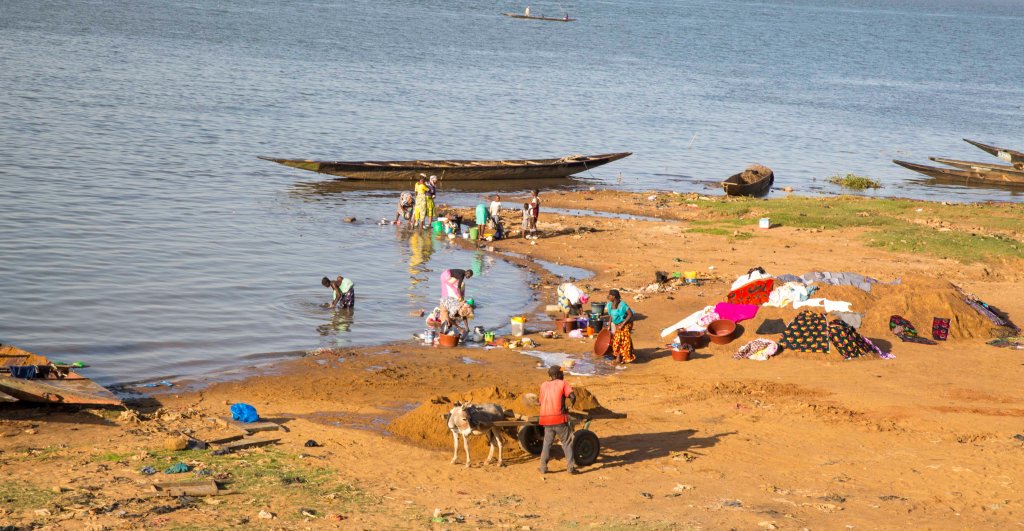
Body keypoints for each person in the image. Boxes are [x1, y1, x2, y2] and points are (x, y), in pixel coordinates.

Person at [538, 365, 576, 475]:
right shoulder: (563, 383)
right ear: (557, 374)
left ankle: (543, 467)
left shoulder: (543, 385)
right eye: (561, 373)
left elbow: (540, 402)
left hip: (546, 419)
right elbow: (573, 396)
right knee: (567, 442)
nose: (563, 375)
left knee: (547, 443)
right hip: (559, 418)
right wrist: (571, 406)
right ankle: (570, 468)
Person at [605, 289, 635, 366]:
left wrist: (622, 324)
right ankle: (628, 354)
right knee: (622, 340)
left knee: (619, 341)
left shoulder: (622, 305)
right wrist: (609, 325)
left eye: (610, 295)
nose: (608, 297)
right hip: (616, 325)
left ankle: (618, 359)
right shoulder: (610, 305)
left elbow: (630, 314)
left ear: (614, 296)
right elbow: (611, 315)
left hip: (626, 324)